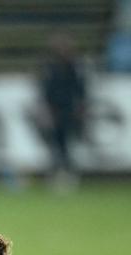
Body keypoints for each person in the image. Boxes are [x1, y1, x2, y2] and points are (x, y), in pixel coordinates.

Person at [35, 32, 87, 192]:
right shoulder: (49, 67)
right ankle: (58, 174)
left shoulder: (75, 66)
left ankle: (67, 175)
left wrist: (80, 108)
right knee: (56, 145)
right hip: (54, 111)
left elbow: (80, 90)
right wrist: (46, 111)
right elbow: (45, 91)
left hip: (69, 110)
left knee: (66, 144)